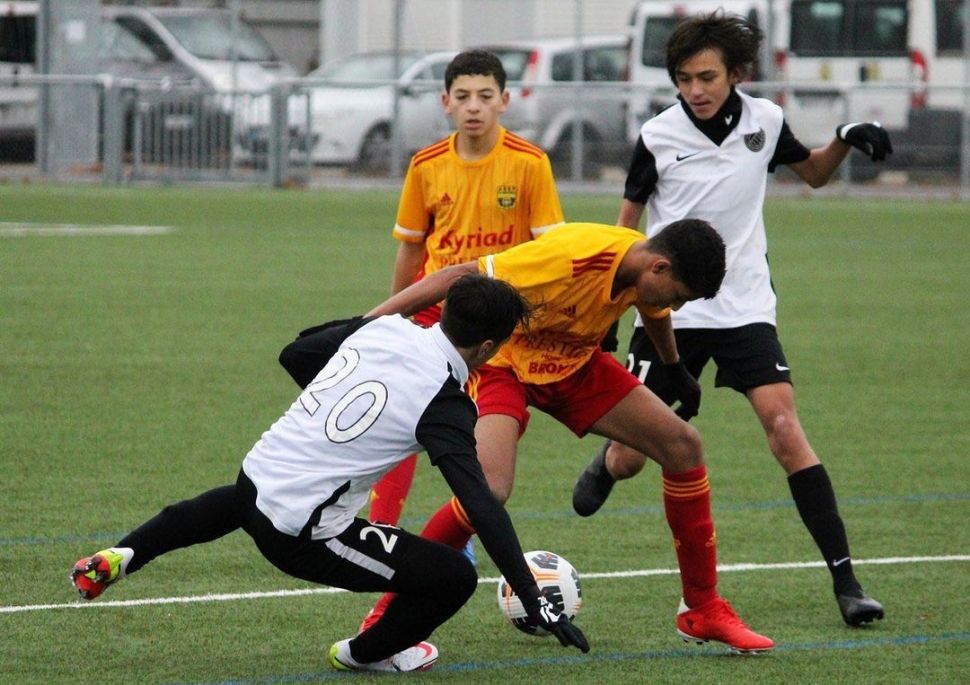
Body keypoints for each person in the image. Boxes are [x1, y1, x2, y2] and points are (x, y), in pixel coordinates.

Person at [71, 274, 589, 672]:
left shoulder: (388, 327)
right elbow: (480, 503)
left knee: (235, 501)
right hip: (301, 536)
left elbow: (295, 352)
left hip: (256, 475)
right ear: (488, 349)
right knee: (453, 576)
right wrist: (530, 595)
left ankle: (125, 553)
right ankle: (363, 655)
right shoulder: (447, 402)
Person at [322, 218, 776, 654]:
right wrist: (365, 324)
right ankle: (384, 614)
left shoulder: (644, 268)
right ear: (660, 267)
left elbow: (653, 309)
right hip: (507, 364)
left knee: (683, 446)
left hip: (573, 363)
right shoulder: (569, 258)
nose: (674, 308)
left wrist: (673, 367)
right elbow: (459, 277)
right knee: (490, 489)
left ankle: (701, 608)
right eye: (679, 297)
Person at [570, 11, 888, 628]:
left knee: (785, 428)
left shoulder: (765, 122)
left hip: (744, 305)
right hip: (671, 308)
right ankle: (609, 463)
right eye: (685, 78)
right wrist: (611, 299)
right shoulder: (658, 135)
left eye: (708, 76)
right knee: (638, 455)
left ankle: (847, 582)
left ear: (736, 73)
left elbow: (815, 174)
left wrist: (846, 136)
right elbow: (624, 227)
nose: (697, 89)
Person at [369, 49, 565, 544]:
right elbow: (412, 250)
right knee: (402, 411)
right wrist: (396, 317)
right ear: (446, 103)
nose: (473, 106)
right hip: (440, 314)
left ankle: (460, 532)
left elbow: (552, 252)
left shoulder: (529, 163)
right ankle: (380, 529)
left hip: (502, 320)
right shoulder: (427, 165)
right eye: (463, 97)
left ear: (505, 100)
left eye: (484, 96)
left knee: (483, 431)